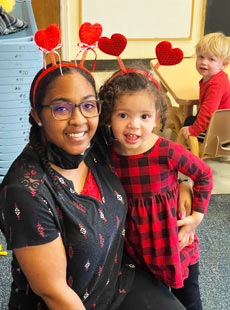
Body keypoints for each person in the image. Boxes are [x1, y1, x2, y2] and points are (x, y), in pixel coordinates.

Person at [0, 62, 190, 310]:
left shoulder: (97, 141)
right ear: (37, 114)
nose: (79, 120)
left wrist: (181, 184)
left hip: (117, 278)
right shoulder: (26, 191)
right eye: (61, 108)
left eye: (88, 106)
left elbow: (148, 154)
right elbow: (55, 293)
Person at [98, 68, 213, 310]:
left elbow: (203, 174)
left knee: (190, 302)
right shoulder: (108, 154)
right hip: (138, 250)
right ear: (108, 116)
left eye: (144, 116)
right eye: (123, 115)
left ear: (157, 119)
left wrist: (197, 216)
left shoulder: (167, 151)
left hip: (175, 244)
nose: (133, 126)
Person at [181, 32, 230, 141]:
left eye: (211, 59)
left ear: (223, 65)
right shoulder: (215, 78)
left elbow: (208, 113)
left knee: (187, 123)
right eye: (201, 57)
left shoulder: (216, 85)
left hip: (219, 134)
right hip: (220, 125)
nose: (203, 62)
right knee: (191, 119)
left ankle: (184, 154)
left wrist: (193, 130)